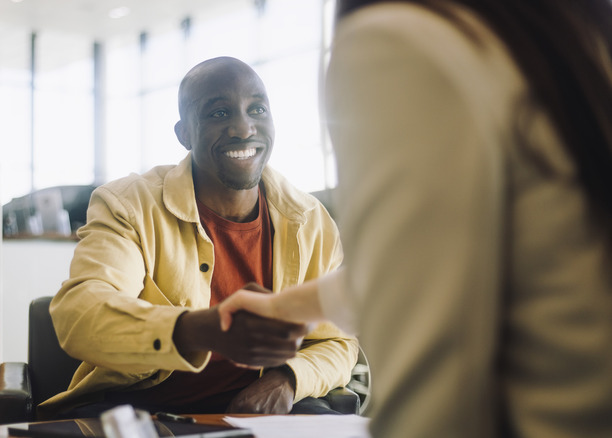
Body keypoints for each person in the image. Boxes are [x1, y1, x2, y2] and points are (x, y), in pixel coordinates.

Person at [218, 0, 612, 436]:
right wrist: (286, 308)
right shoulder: (568, 28)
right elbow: (460, 255)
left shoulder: (396, 39)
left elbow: (435, 377)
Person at [41, 56, 358, 419]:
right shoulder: (128, 204)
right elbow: (81, 313)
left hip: (260, 414)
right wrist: (199, 330)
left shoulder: (311, 219)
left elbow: (337, 340)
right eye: (219, 113)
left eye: (256, 109)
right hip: (144, 411)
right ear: (184, 134)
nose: (243, 128)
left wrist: (287, 379)